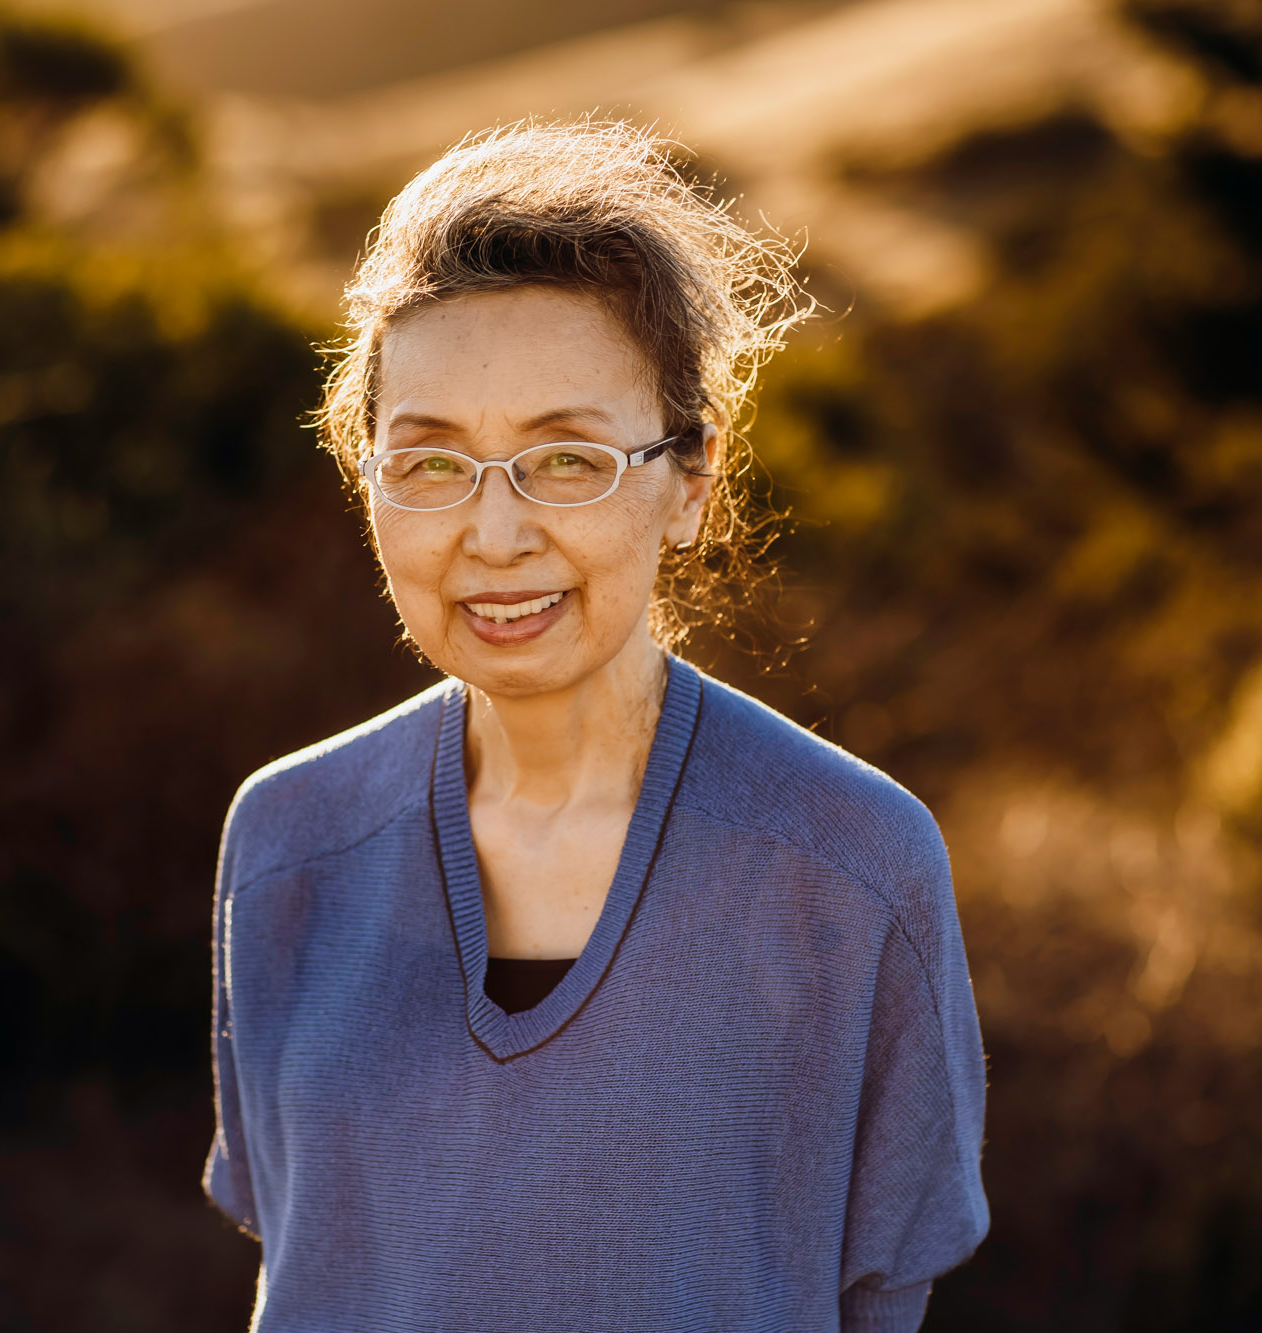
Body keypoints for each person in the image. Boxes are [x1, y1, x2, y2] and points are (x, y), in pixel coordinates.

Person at [203, 119, 989, 1333]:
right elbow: (310, 1265)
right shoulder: (286, 840)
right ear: (362, 478)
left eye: (564, 461)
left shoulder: (849, 867)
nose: (495, 534)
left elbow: (881, 1291)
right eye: (429, 463)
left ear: (689, 483)